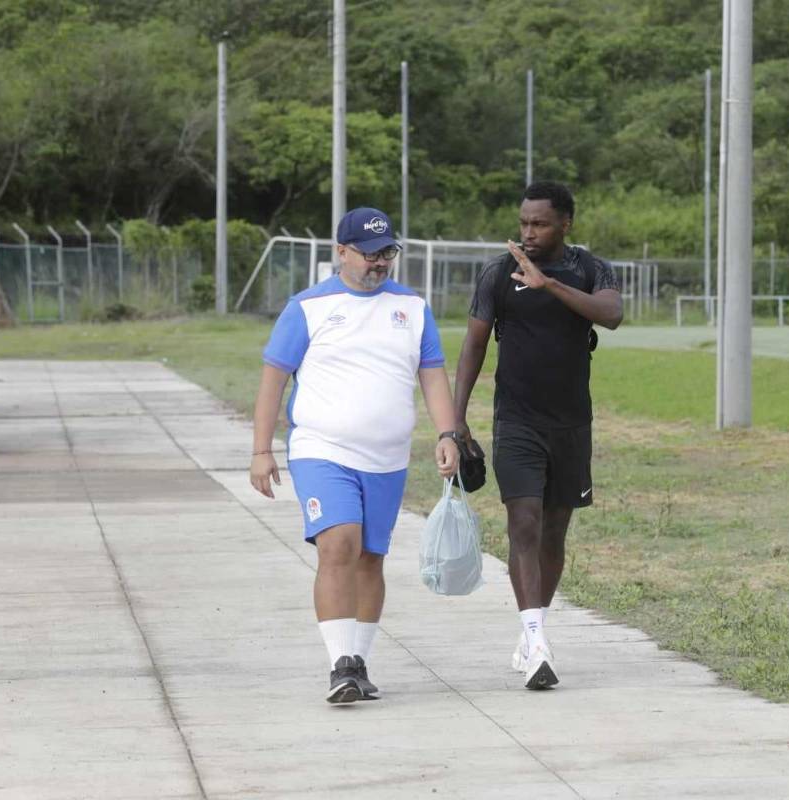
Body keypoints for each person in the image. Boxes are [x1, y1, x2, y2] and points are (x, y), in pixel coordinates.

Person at [250, 207, 460, 705]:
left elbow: (431, 375)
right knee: (339, 543)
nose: (379, 262)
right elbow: (273, 378)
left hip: (387, 458)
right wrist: (261, 450)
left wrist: (448, 433)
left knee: (370, 558)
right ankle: (339, 665)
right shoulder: (308, 308)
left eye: (387, 252)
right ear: (341, 252)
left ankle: (359, 662)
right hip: (322, 449)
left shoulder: (412, 308)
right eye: (369, 254)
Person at [453, 181, 623, 690]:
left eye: (540, 223)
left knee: (553, 533)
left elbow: (612, 315)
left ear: (565, 223)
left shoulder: (591, 269)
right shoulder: (497, 273)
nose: (528, 232)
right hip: (517, 422)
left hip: (571, 424)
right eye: (524, 222)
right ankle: (537, 644)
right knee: (523, 526)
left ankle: (534, 632)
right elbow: (474, 346)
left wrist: (548, 285)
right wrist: (455, 421)